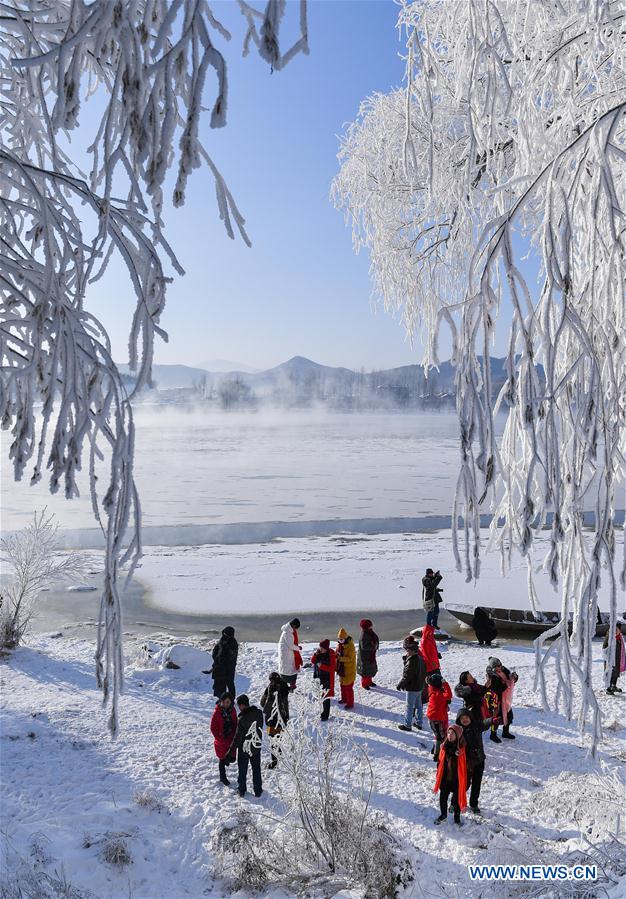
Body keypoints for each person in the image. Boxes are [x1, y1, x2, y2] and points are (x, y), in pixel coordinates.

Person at [456, 707, 491, 813]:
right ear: (459, 720)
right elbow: (451, 744)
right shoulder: (457, 731)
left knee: (477, 783)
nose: (465, 720)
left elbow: (485, 723)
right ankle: (456, 802)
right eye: (462, 718)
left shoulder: (477, 726)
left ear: (470, 718)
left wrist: (492, 720)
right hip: (466, 763)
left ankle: (474, 804)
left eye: (466, 717)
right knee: (464, 784)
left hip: (479, 760)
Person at [230, 694, 264, 798]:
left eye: (239, 705)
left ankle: (241, 789)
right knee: (256, 768)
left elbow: (238, 737)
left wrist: (231, 750)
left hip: (244, 748)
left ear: (242, 705)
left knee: (242, 769)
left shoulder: (242, 719)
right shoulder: (259, 713)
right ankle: (258, 789)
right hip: (256, 745)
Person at [433, 724, 467, 826]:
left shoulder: (462, 749)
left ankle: (457, 818)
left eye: (452, 733)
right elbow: (440, 762)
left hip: (457, 780)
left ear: (458, 735)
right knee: (443, 798)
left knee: (456, 800)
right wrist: (439, 774)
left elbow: (464, 765)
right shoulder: (444, 747)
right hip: (445, 779)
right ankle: (443, 815)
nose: (449, 735)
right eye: (448, 733)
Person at [396, 636, 427, 731]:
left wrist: (400, 684)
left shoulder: (412, 661)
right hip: (420, 687)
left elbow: (407, 675)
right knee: (419, 706)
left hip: (412, 688)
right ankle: (419, 723)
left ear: (413, 651)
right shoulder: (420, 659)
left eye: (408, 650)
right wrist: (405, 661)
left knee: (409, 707)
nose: (407, 652)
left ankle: (407, 725)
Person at [260, 671, 290, 769]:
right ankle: (278, 758)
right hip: (282, 718)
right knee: (277, 738)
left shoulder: (270, 688)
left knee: (273, 740)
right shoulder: (284, 687)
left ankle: (275, 762)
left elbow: (262, 703)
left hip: (272, 719)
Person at [485, 657, 518, 742]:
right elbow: (498, 689)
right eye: (497, 666)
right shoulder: (491, 676)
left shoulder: (504, 670)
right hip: (496, 700)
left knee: (509, 716)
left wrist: (514, 677)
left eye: (500, 665)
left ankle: (505, 732)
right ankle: (493, 735)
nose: (499, 667)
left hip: (506, 699)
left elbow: (510, 679)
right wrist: (507, 684)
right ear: (493, 667)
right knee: (496, 718)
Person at [210, 692, 237, 786]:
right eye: (224, 702)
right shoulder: (217, 712)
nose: (226, 704)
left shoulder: (232, 710)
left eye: (228, 702)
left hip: (231, 738)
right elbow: (213, 727)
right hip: (221, 739)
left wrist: (235, 734)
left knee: (232, 758)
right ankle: (223, 777)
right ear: (221, 701)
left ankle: (227, 760)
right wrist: (219, 738)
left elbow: (235, 723)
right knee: (222, 759)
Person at [426, 672, 452, 762]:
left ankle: (436, 749)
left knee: (440, 735)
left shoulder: (432, 689)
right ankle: (436, 755)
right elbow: (449, 695)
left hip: (437, 718)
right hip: (436, 719)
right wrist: (445, 684)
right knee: (439, 737)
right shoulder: (438, 694)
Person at [311, 639, 337, 721]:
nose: (320, 649)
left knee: (326, 697)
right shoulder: (319, 653)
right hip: (319, 677)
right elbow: (313, 661)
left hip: (327, 679)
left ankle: (325, 715)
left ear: (326, 648)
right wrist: (315, 654)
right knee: (321, 696)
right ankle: (322, 712)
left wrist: (322, 666)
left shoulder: (331, 655)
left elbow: (332, 668)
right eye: (320, 647)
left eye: (322, 648)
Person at [211, 626, 238, 698]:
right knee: (220, 683)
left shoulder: (233, 643)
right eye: (224, 633)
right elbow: (215, 650)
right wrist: (216, 658)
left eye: (226, 634)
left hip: (229, 667)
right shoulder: (222, 640)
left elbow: (231, 656)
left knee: (230, 683)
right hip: (220, 667)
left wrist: (222, 660)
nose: (225, 635)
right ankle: (221, 698)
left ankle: (231, 699)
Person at [278, 617, 303, 690]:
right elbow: (291, 645)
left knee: (289, 668)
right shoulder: (288, 633)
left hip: (287, 653)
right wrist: (298, 648)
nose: (296, 630)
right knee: (289, 670)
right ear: (294, 625)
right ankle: (290, 686)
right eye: (296, 628)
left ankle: (291, 685)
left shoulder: (288, 631)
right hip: (287, 654)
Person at [336, 628, 356, 709]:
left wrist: (340, 658)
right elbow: (337, 652)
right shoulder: (340, 645)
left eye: (341, 639)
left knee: (348, 688)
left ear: (345, 638)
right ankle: (344, 699)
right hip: (342, 670)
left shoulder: (351, 646)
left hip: (349, 670)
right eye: (339, 639)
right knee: (342, 686)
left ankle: (350, 703)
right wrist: (336, 655)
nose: (340, 640)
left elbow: (350, 658)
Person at [357, 619, 379, 690]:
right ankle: (364, 684)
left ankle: (369, 682)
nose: (372, 626)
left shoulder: (369, 632)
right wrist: (374, 646)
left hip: (370, 655)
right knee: (365, 671)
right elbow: (364, 647)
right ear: (367, 626)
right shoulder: (364, 635)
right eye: (370, 625)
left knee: (370, 669)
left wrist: (375, 645)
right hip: (365, 656)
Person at [603, 623, 625, 694]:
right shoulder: (609, 636)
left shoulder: (620, 636)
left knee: (616, 672)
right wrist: (608, 656)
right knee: (610, 672)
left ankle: (613, 686)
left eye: (617, 629)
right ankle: (608, 688)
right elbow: (604, 647)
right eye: (614, 629)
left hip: (618, 658)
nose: (616, 631)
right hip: (610, 659)